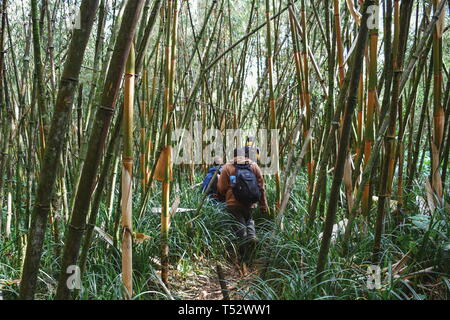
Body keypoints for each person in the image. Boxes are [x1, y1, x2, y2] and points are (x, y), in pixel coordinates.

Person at [217, 147, 268, 262]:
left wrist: (224, 194)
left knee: (239, 228)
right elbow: (261, 187)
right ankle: (252, 238)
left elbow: (221, 187)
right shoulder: (253, 165)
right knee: (249, 220)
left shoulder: (228, 166)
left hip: (233, 203)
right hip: (250, 202)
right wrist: (263, 205)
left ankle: (244, 258)